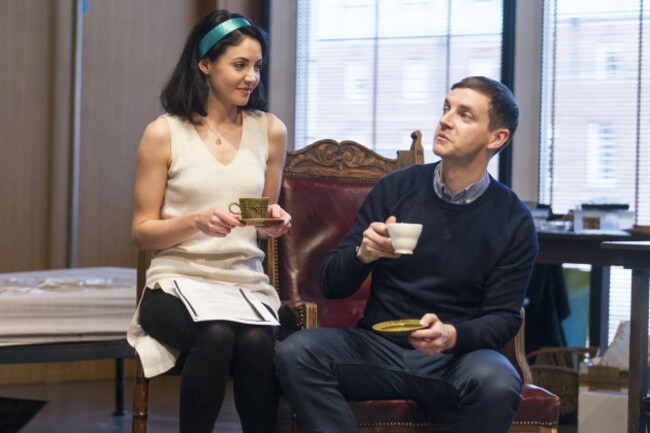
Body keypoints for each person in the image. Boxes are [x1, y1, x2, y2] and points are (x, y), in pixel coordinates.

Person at [275, 76, 538, 433]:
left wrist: (449, 335)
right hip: (377, 348)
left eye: (464, 115)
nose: (445, 120)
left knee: (498, 380)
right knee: (296, 352)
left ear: (497, 138)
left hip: (454, 358)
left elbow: (504, 318)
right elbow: (330, 282)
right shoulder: (396, 188)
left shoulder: (513, 220)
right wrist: (362, 254)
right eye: (446, 108)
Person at [126, 10, 291, 433]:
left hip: (242, 282)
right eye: (240, 65)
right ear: (205, 65)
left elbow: (260, 214)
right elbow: (142, 233)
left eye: (257, 66)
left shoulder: (270, 131)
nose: (251, 77)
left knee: (256, 341)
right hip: (175, 281)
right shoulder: (164, 133)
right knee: (215, 335)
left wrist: (272, 222)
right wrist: (195, 221)